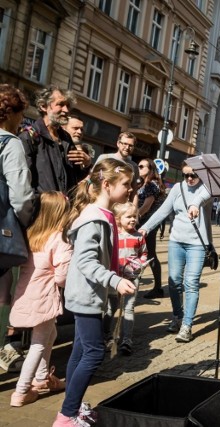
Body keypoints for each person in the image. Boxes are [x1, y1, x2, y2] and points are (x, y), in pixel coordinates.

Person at [52, 158, 137, 426]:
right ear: (107, 184)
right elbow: (87, 262)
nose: (130, 189)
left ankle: (71, 407)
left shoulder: (102, 215)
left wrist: (118, 272)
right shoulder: (93, 219)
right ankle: (66, 416)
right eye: (126, 184)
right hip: (85, 295)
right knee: (94, 353)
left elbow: (98, 258)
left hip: (87, 293)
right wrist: (114, 280)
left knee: (80, 351)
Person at [9, 192, 71, 407]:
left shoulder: (31, 234)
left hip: (26, 294)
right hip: (45, 297)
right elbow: (62, 277)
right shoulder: (60, 238)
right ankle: (21, 390)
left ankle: (42, 378)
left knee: (50, 334)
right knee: (37, 345)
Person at [139, 161, 212, 343]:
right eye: (185, 174)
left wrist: (194, 205)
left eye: (193, 175)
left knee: (191, 283)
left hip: (196, 243)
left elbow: (201, 198)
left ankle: (187, 325)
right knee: (173, 282)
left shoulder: (208, 187)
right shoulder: (178, 188)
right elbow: (163, 211)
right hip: (176, 241)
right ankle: (177, 316)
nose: (189, 178)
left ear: (200, 175)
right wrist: (145, 228)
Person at [0, 84, 36, 362]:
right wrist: (25, 225)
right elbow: (22, 196)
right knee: (2, 297)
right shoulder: (10, 143)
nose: (22, 121)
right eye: (20, 114)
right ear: (9, 113)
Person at [18, 85, 92, 194]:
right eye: (60, 105)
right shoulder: (29, 136)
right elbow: (23, 181)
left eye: (68, 106)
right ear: (44, 106)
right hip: (42, 208)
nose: (66, 110)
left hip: (64, 208)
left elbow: (75, 178)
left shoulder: (66, 138)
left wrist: (87, 164)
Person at [102, 202, 147, 356]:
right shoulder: (112, 235)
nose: (133, 219)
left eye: (135, 216)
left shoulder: (139, 236)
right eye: (128, 217)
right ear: (118, 219)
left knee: (129, 308)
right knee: (110, 308)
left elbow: (144, 253)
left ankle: (127, 340)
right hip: (115, 278)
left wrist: (140, 265)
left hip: (132, 278)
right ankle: (105, 334)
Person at [134, 158, 166, 299]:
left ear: (150, 169)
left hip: (147, 224)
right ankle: (157, 287)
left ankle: (157, 288)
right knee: (149, 254)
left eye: (141, 166)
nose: (138, 168)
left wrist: (133, 218)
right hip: (146, 224)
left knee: (149, 254)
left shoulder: (151, 185)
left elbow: (146, 206)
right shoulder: (145, 184)